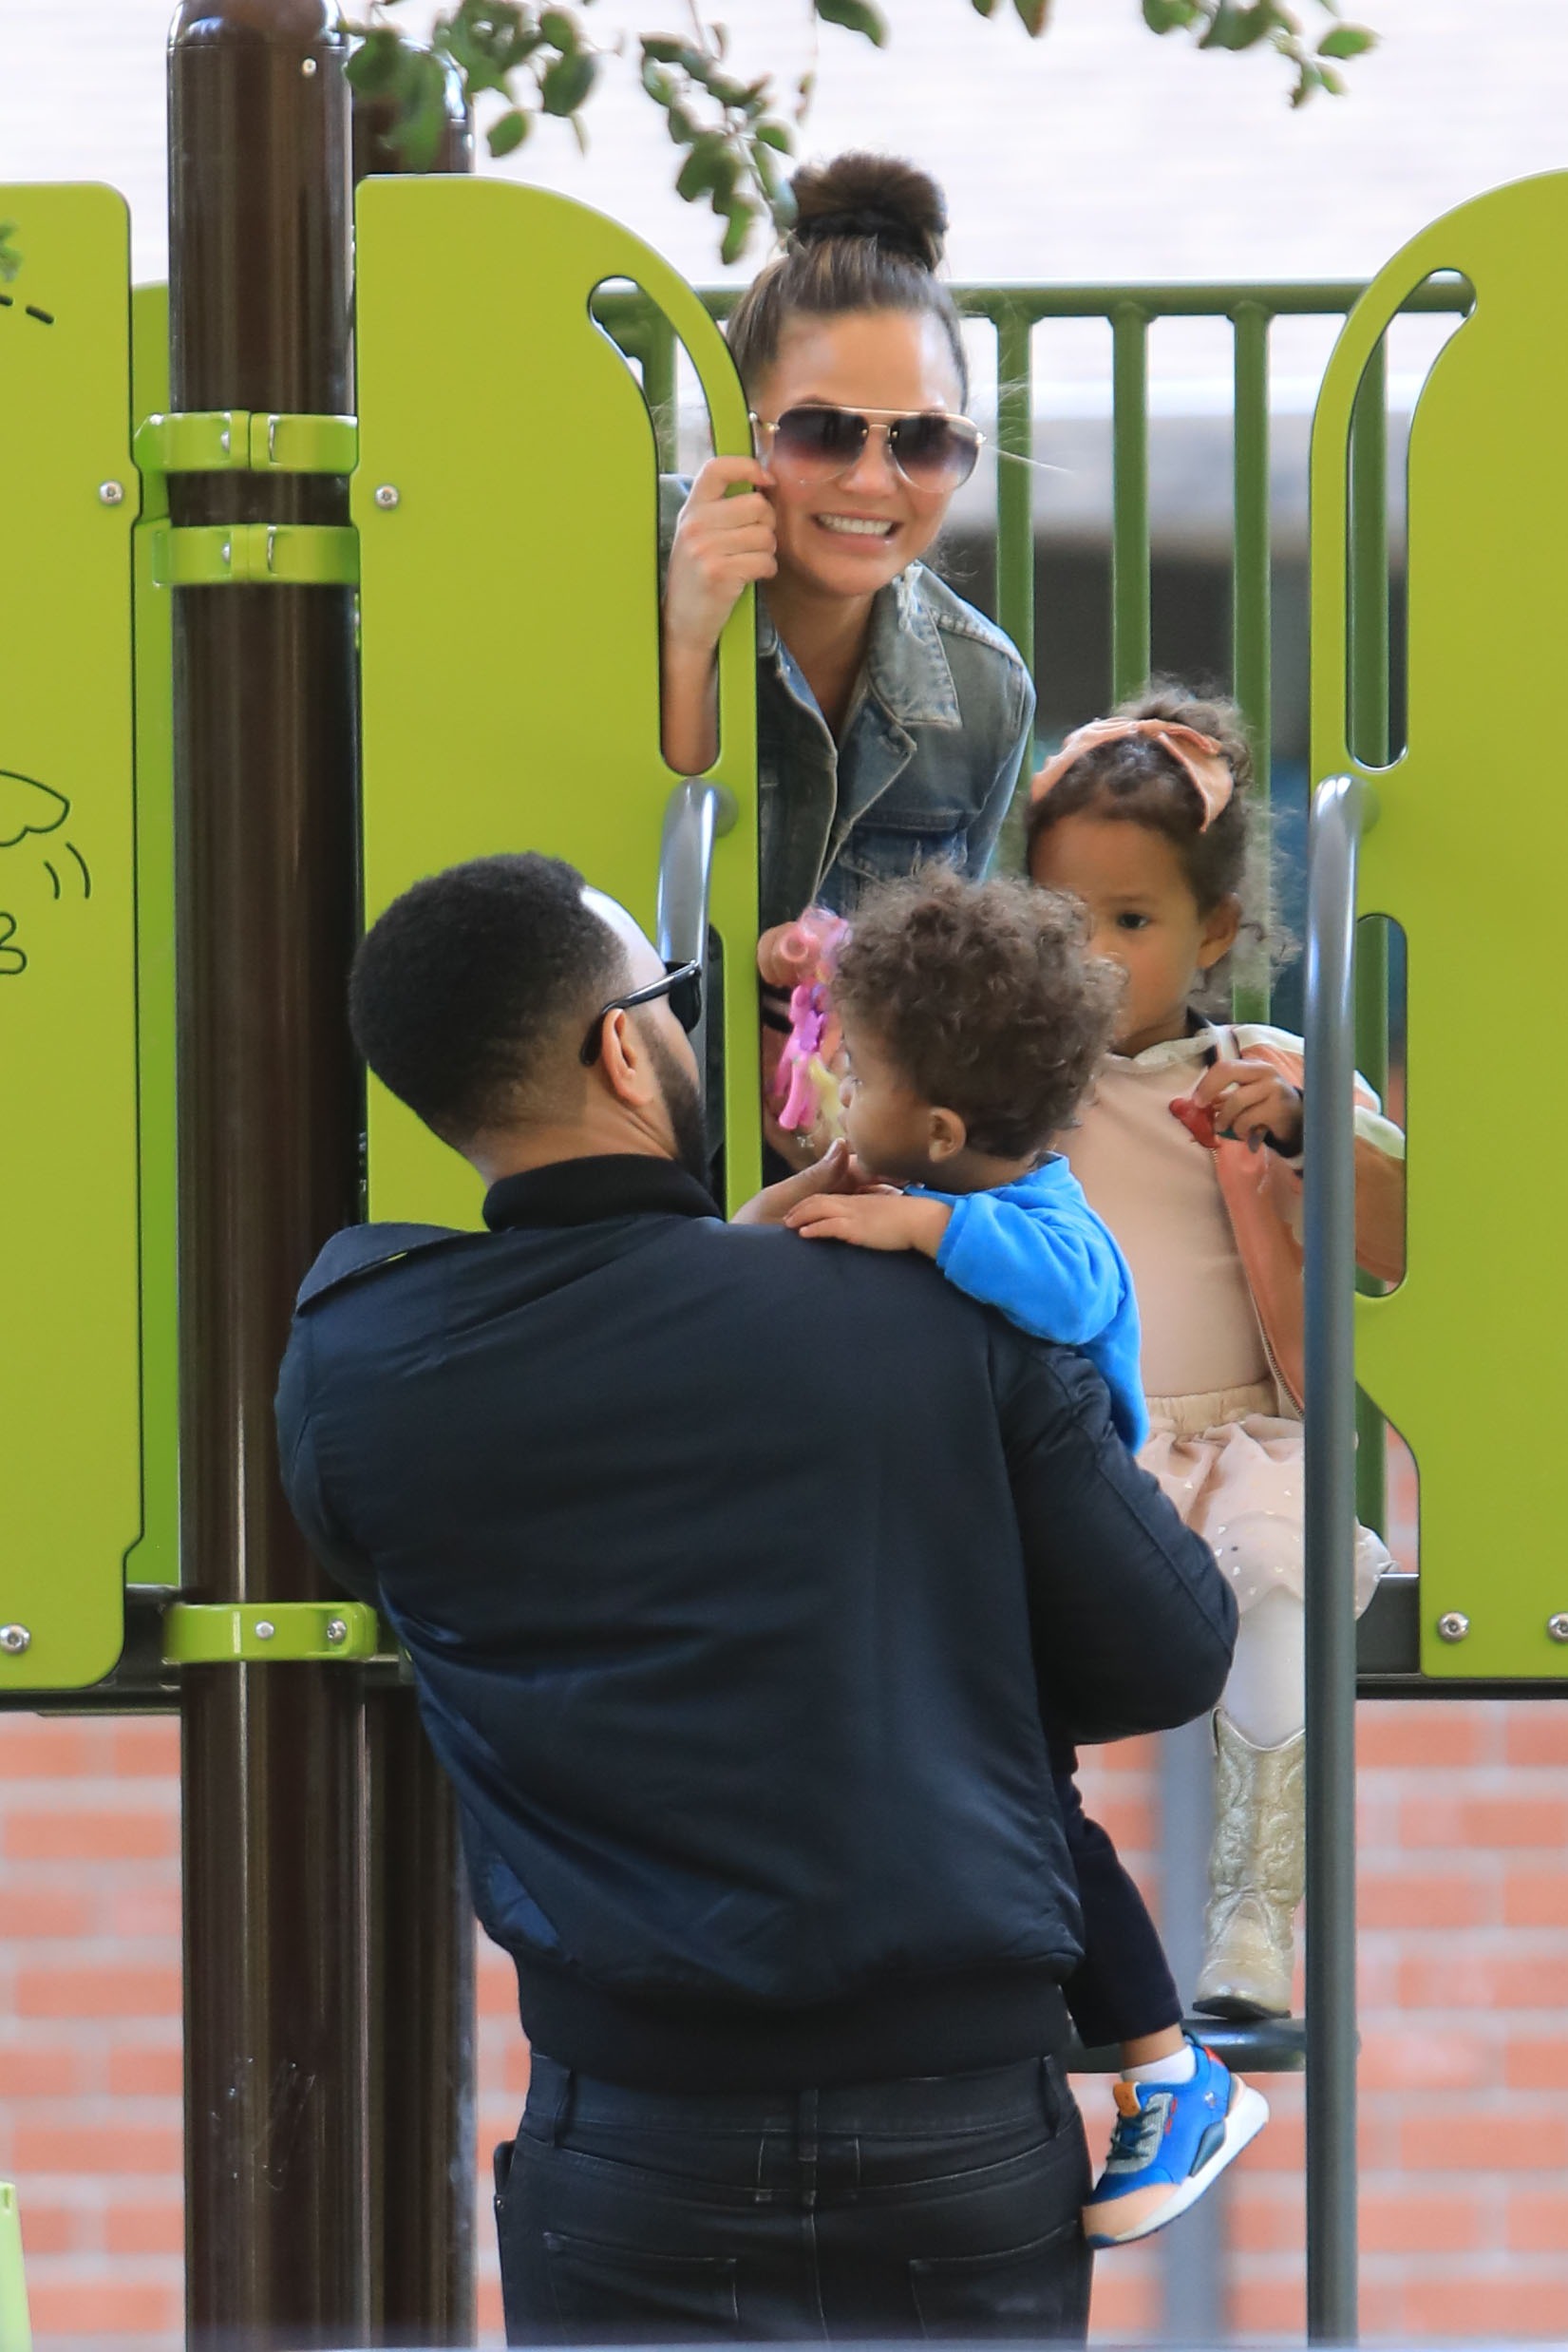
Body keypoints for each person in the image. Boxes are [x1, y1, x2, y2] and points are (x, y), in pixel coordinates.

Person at [274, 849, 1237, 2343]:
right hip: (956, 2125)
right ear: (619, 1048)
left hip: (632, 2134)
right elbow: (1167, 1656)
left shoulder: (363, 1365)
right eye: (666, 1004)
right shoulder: (928, 1311)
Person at [785, 869, 1270, 2248]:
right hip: (966, 1585)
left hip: (1046, 1589)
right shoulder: (929, 1182)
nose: (833, 1092)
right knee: (1004, 1815)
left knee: (1039, 1828)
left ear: (938, 1130)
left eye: (857, 1070)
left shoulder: (1046, 1223)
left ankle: (1171, 2071)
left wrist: (924, 1226)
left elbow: (1068, 1294)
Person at [1026, 686, 1405, 2020]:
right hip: (1067, 1441)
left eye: (1128, 924)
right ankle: (1026, 1924)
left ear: (1213, 934)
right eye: (1059, 920)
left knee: (1280, 1571)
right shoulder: (1011, 1080)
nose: (1088, 953)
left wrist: (1305, 1133)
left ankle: (1252, 1908)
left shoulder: (1270, 1067)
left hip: (1228, 1434)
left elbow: (1405, 1231)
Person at [659, 150, 1035, 1163]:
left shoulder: (983, 692)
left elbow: (943, 1028)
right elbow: (630, 876)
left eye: (923, 441)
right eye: (823, 432)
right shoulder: (620, 581)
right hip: (621, 1194)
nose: (873, 481)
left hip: (841, 1204)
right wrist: (688, 638)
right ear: (734, 431)